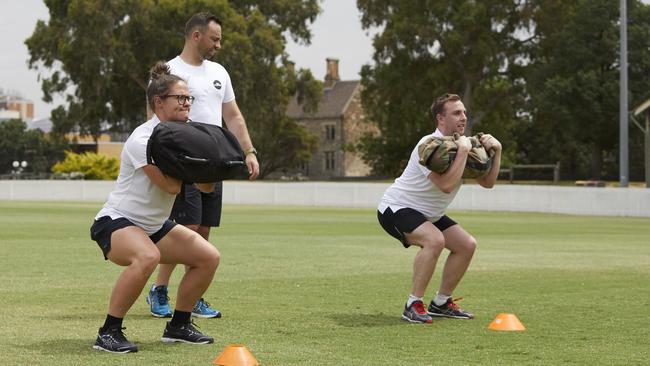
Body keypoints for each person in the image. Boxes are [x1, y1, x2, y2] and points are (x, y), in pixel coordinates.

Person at [90, 62, 220, 353]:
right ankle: (108, 333)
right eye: (180, 98)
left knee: (208, 257)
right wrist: (194, 164)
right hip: (117, 221)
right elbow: (171, 187)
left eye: (189, 98)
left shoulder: (186, 137)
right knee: (149, 256)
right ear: (158, 102)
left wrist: (215, 165)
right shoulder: (142, 140)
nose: (187, 103)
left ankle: (179, 326)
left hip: (153, 225)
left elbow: (207, 187)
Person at [146, 12, 260, 319]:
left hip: (215, 165)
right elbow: (153, 120)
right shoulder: (169, 71)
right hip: (184, 166)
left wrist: (248, 151)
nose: (219, 45)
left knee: (204, 230)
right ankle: (159, 290)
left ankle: (193, 296)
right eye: (215, 38)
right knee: (184, 229)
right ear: (196, 36)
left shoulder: (220, 72)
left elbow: (233, 116)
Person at [377, 93, 502, 323]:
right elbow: (445, 186)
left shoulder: (463, 144)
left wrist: (497, 151)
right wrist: (463, 151)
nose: (463, 117)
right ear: (440, 119)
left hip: (428, 214)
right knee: (435, 240)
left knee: (467, 245)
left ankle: (442, 303)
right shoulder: (429, 145)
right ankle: (413, 304)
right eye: (456, 113)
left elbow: (488, 183)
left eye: (464, 112)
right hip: (396, 208)